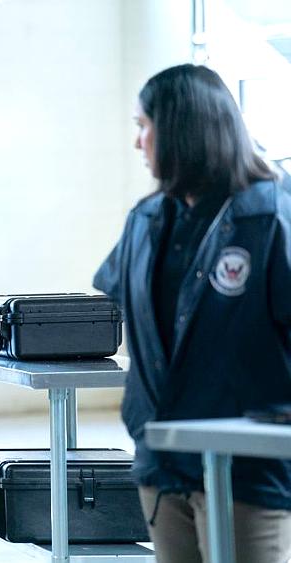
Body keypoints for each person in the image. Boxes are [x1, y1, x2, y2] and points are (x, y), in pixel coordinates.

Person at [94, 63, 291, 563]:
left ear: (181, 130)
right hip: (161, 466)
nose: (137, 142)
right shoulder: (146, 219)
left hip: (248, 473)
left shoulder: (268, 217)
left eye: (143, 126)